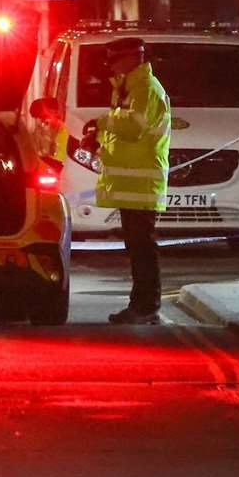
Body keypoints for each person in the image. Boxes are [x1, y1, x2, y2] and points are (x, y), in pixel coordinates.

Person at [83, 38, 172, 325]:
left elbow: (134, 127)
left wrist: (101, 122)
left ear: (132, 57)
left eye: (115, 59)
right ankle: (143, 306)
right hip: (132, 185)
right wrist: (97, 136)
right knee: (137, 248)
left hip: (142, 185)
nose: (110, 65)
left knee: (142, 248)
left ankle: (145, 307)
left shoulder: (145, 89)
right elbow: (121, 128)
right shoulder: (129, 87)